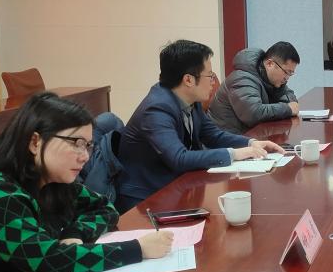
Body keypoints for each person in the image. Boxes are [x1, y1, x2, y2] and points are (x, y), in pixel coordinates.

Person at [0, 92, 175, 272]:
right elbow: (46, 259)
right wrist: (137, 249)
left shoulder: (53, 182)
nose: (85, 157)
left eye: (88, 146)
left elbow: (105, 207)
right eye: (76, 144)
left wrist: (75, 232)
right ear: (35, 142)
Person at [117, 40, 284, 211]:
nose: (213, 81)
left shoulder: (190, 99)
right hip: (146, 199)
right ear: (188, 80)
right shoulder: (156, 109)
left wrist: (251, 143)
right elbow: (179, 158)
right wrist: (236, 154)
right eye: (209, 75)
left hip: (176, 187)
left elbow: (213, 136)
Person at [209, 41, 300, 134]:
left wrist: (291, 105)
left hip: (249, 136)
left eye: (291, 73)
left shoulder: (271, 79)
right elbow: (253, 114)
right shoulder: (242, 79)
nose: (287, 78)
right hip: (225, 139)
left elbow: (288, 94)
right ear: (270, 64)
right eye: (286, 72)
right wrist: (287, 109)